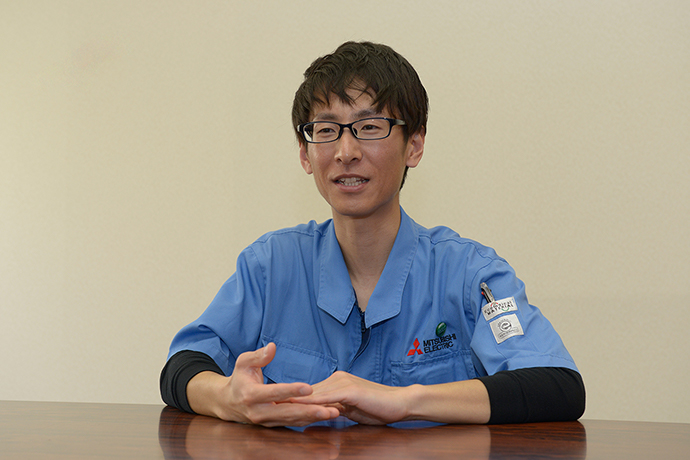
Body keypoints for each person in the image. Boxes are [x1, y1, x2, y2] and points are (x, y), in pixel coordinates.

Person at [160, 41, 585, 427]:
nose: (346, 152)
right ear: (305, 154)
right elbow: (182, 367)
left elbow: (559, 387)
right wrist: (227, 398)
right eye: (326, 130)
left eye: (369, 126)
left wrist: (404, 400)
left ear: (414, 145)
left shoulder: (469, 274)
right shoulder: (271, 266)